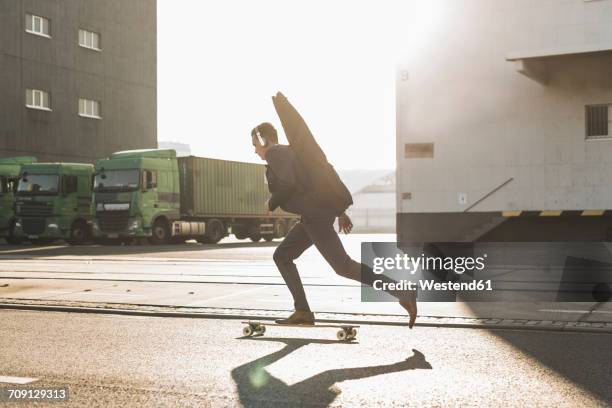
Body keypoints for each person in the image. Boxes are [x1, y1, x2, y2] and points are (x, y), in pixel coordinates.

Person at [251, 122, 417, 328]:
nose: (255, 150)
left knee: (343, 266)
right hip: (312, 217)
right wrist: (339, 211)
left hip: (315, 218)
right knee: (282, 256)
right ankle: (302, 311)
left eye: (255, 144)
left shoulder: (275, 153)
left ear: (264, 139)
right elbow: (314, 182)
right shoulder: (288, 152)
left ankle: (402, 291)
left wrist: (272, 201)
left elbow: (289, 183)